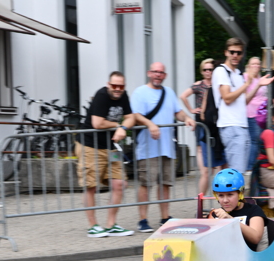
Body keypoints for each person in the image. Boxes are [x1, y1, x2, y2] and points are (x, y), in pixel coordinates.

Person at [78, 71, 156, 238]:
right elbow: (97, 123)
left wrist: (123, 128)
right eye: (114, 86)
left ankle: (111, 224)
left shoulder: (123, 95)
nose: (118, 89)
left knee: (119, 183)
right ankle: (93, 226)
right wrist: (117, 124)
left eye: (121, 86)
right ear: (108, 85)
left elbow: (130, 118)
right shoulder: (101, 95)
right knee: (91, 185)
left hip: (111, 147)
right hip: (90, 145)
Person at [131, 62, 195, 233]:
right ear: (149, 73)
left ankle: (164, 217)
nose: (158, 75)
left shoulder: (169, 93)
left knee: (165, 183)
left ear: (164, 75)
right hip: (147, 148)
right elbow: (136, 115)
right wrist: (150, 124)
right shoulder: (140, 92)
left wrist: (187, 118)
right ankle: (142, 219)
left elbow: (177, 112)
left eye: (161, 72)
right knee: (146, 183)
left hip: (167, 146)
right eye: (155, 72)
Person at [212, 37, 273, 174]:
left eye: (238, 53)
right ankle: (233, 195)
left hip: (241, 125)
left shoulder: (237, 74)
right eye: (232, 52)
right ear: (226, 52)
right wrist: (247, 84)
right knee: (237, 171)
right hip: (230, 125)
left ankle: (233, 195)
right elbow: (227, 98)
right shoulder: (221, 71)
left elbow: (243, 101)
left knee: (240, 171)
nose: (235, 55)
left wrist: (257, 85)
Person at [180, 58, 222, 196]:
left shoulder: (218, 84)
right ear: (202, 71)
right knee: (201, 150)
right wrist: (192, 110)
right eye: (205, 69)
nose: (208, 72)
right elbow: (183, 96)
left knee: (217, 163)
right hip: (202, 121)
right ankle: (201, 199)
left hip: (216, 121)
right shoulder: (199, 85)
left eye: (210, 69)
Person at [207, 168, 268, 252]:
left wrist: (231, 220)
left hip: (248, 259)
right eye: (221, 195)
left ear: (240, 194)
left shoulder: (253, 210)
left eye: (230, 195)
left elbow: (255, 238)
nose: (225, 200)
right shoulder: (215, 214)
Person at [244, 56, 274, 173]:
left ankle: (258, 164)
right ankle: (250, 166)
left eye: (258, 64)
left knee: (261, 139)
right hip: (252, 113)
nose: (256, 66)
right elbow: (246, 96)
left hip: (262, 114)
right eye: (253, 64)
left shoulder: (261, 78)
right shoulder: (246, 77)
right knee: (255, 140)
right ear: (248, 66)